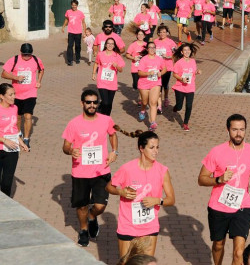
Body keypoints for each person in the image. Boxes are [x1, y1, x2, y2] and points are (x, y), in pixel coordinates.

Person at [198, 114, 250, 265]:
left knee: (239, 252)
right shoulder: (217, 152)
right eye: (234, 130)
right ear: (228, 130)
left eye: (242, 130)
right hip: (219, 206)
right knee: (219, 245)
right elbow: (201, 179)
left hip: (242, 206)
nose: (238, 133)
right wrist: (219, 179)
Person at [61, 89, 119, 247]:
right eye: (89, 102)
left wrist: (114, 152)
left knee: (100, 205)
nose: (92, 105)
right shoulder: (74, 123)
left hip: (101, 170)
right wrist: (71, 150)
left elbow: (113, 135)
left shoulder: (106, 120)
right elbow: (65, 146)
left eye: (95, 102)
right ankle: (84, 230)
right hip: (80, 171)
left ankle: (92, 217)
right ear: (82, 103)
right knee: (81, 206)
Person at [106, 130, 175, 258]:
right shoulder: (127, 169)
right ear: (141, 148)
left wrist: (157, 201)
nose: (156, 151)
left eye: (157, 147)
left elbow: (171, 199)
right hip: (128, 225)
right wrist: (120, 191)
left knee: (147, 262)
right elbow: (109, 186)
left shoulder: (162, 171)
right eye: (152, 147)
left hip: (149, 226)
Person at [2, 43, 45, 149]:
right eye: (25, 55)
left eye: (29, 55)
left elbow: (42, 69)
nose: (27, 57)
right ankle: (19, 134)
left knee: (28, 116)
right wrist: (16, 78)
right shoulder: (14, 60)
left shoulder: (36, 60)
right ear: (21, 52)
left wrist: (39, 81)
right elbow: (3, 74)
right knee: (18, 117)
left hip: (31, 93)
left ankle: (26, 139)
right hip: (16, 95)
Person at [0, 83, 29, 197]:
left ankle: (5, 206)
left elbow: (14, 128)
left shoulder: (14, 108)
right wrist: (4, 140)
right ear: (2, 96)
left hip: (12, 150)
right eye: (10, 95)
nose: (13, 97)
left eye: (14, 94)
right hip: (1, 147)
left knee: (7, 182)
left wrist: (21, 143)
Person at [137, 41, 167, 131]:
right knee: (145, 102)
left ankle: (153, 122)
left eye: (153, 47)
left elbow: (164, 68)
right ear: (147, 49)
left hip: (155, 83)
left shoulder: (159, 59)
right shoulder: (144, 59)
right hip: (144, 83)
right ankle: (143, 110)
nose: (152, 49)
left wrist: (160, 73)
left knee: (153, 103)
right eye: (150, 47)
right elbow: (139, 72)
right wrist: (148, 73)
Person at [92, 37, 125, 116]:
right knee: (105, 102)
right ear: (105, 45)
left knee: (109, 103)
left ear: (114, 46)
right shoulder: (100, 54)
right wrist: (93, 73)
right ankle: (102, 117)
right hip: (102, 81)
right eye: (108, 43)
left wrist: (117, 66)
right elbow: (96, 63)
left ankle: (107, 118)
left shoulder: (116, 56)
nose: (110, 45)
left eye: (112, 44)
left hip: (112, 83)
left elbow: (121, 70)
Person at [171, 43, 201, 131]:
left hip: (190, 87)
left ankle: (185, 123)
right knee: (180, 106)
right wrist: (181, 79)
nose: (187, 52)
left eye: (188, 50)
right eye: (185, 50)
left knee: (189, 106)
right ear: (182, 52)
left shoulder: (193, 61)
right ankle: (176, 107)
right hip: (180, 87)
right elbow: (174, 74)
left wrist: (197, 72)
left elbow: (193, 72)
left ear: (190, 51)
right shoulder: (179, 63)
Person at [154, 25, 177, 113]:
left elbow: (176, 53)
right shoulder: (155, 41)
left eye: (164, 32)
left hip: (167, 67)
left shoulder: (171, 42)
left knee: (165, 84)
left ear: (167, 33)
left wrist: (168, 56)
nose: (162, 34)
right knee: (158, 85)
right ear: (158, 33)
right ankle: (159, 106)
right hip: (157, 67)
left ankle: (166, 97)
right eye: (161, 32)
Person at [126, 29, 147, 108]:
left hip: (144, 68)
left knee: (142, 83)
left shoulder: (146, 45)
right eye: (139, 34)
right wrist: (133, 58)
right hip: (135, 68)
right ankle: (135, 86)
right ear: (136, 35)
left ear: (144, 36)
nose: (140, 36)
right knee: (136, 84)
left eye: (142, 34)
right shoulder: (133, 45)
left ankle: (140, 99)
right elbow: (127, 55)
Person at [62, 0, 86, 66]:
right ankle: (70, 60)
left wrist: (85, 31)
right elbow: (66, 20)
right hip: (71, 31)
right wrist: (63, 26)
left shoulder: (80, 13)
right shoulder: (68, 12)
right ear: (71, 5)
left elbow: (83, 23)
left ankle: (78, 58)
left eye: (75, 5)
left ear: (77, 5)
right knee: (70, 46)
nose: (74, 6)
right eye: (73, 5)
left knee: (78, 46)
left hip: (78, 32)